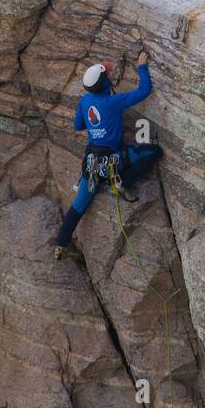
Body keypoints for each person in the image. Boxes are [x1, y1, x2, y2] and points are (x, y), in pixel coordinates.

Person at [53, 50, 162, 259]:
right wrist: (141, 65)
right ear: (103, 84)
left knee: (79, 205)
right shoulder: (113, 102)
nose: (109, 78)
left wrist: (96, 124)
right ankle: (121, 184)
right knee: (152, 151)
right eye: (107, 78)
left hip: (91, 165)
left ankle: (60, 244)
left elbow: (78, 125)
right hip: (114, 162)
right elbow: (144, 90)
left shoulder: (85, 101)